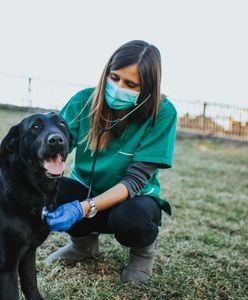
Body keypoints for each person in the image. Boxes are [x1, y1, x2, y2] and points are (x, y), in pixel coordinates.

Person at [44, 40, 177, 284]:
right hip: (87, 190)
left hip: (134, 201)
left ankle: (141, 255)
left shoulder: (164, 113)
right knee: (51, 191)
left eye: (130, 84)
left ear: (148, 88)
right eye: (114, 77)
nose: (117, 87)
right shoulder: (83, 101)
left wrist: (81, 208)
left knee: (131, 219)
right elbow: (55, 148)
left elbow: (135, 180)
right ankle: (84, 247)